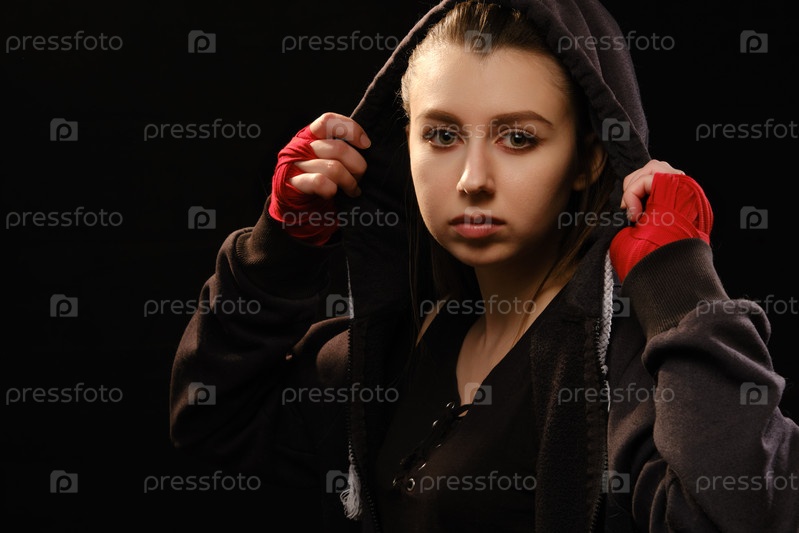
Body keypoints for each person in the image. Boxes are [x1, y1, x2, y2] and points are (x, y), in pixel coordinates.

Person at [168, 0, 799, 531]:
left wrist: (680, 281)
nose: (472, 180)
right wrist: (281, 246)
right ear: (404, 144)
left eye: (518, 137)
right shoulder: (405, 346)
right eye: (441, 135)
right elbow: (211, 419)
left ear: (589, 160)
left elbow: (749, 513)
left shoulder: (629, 364)